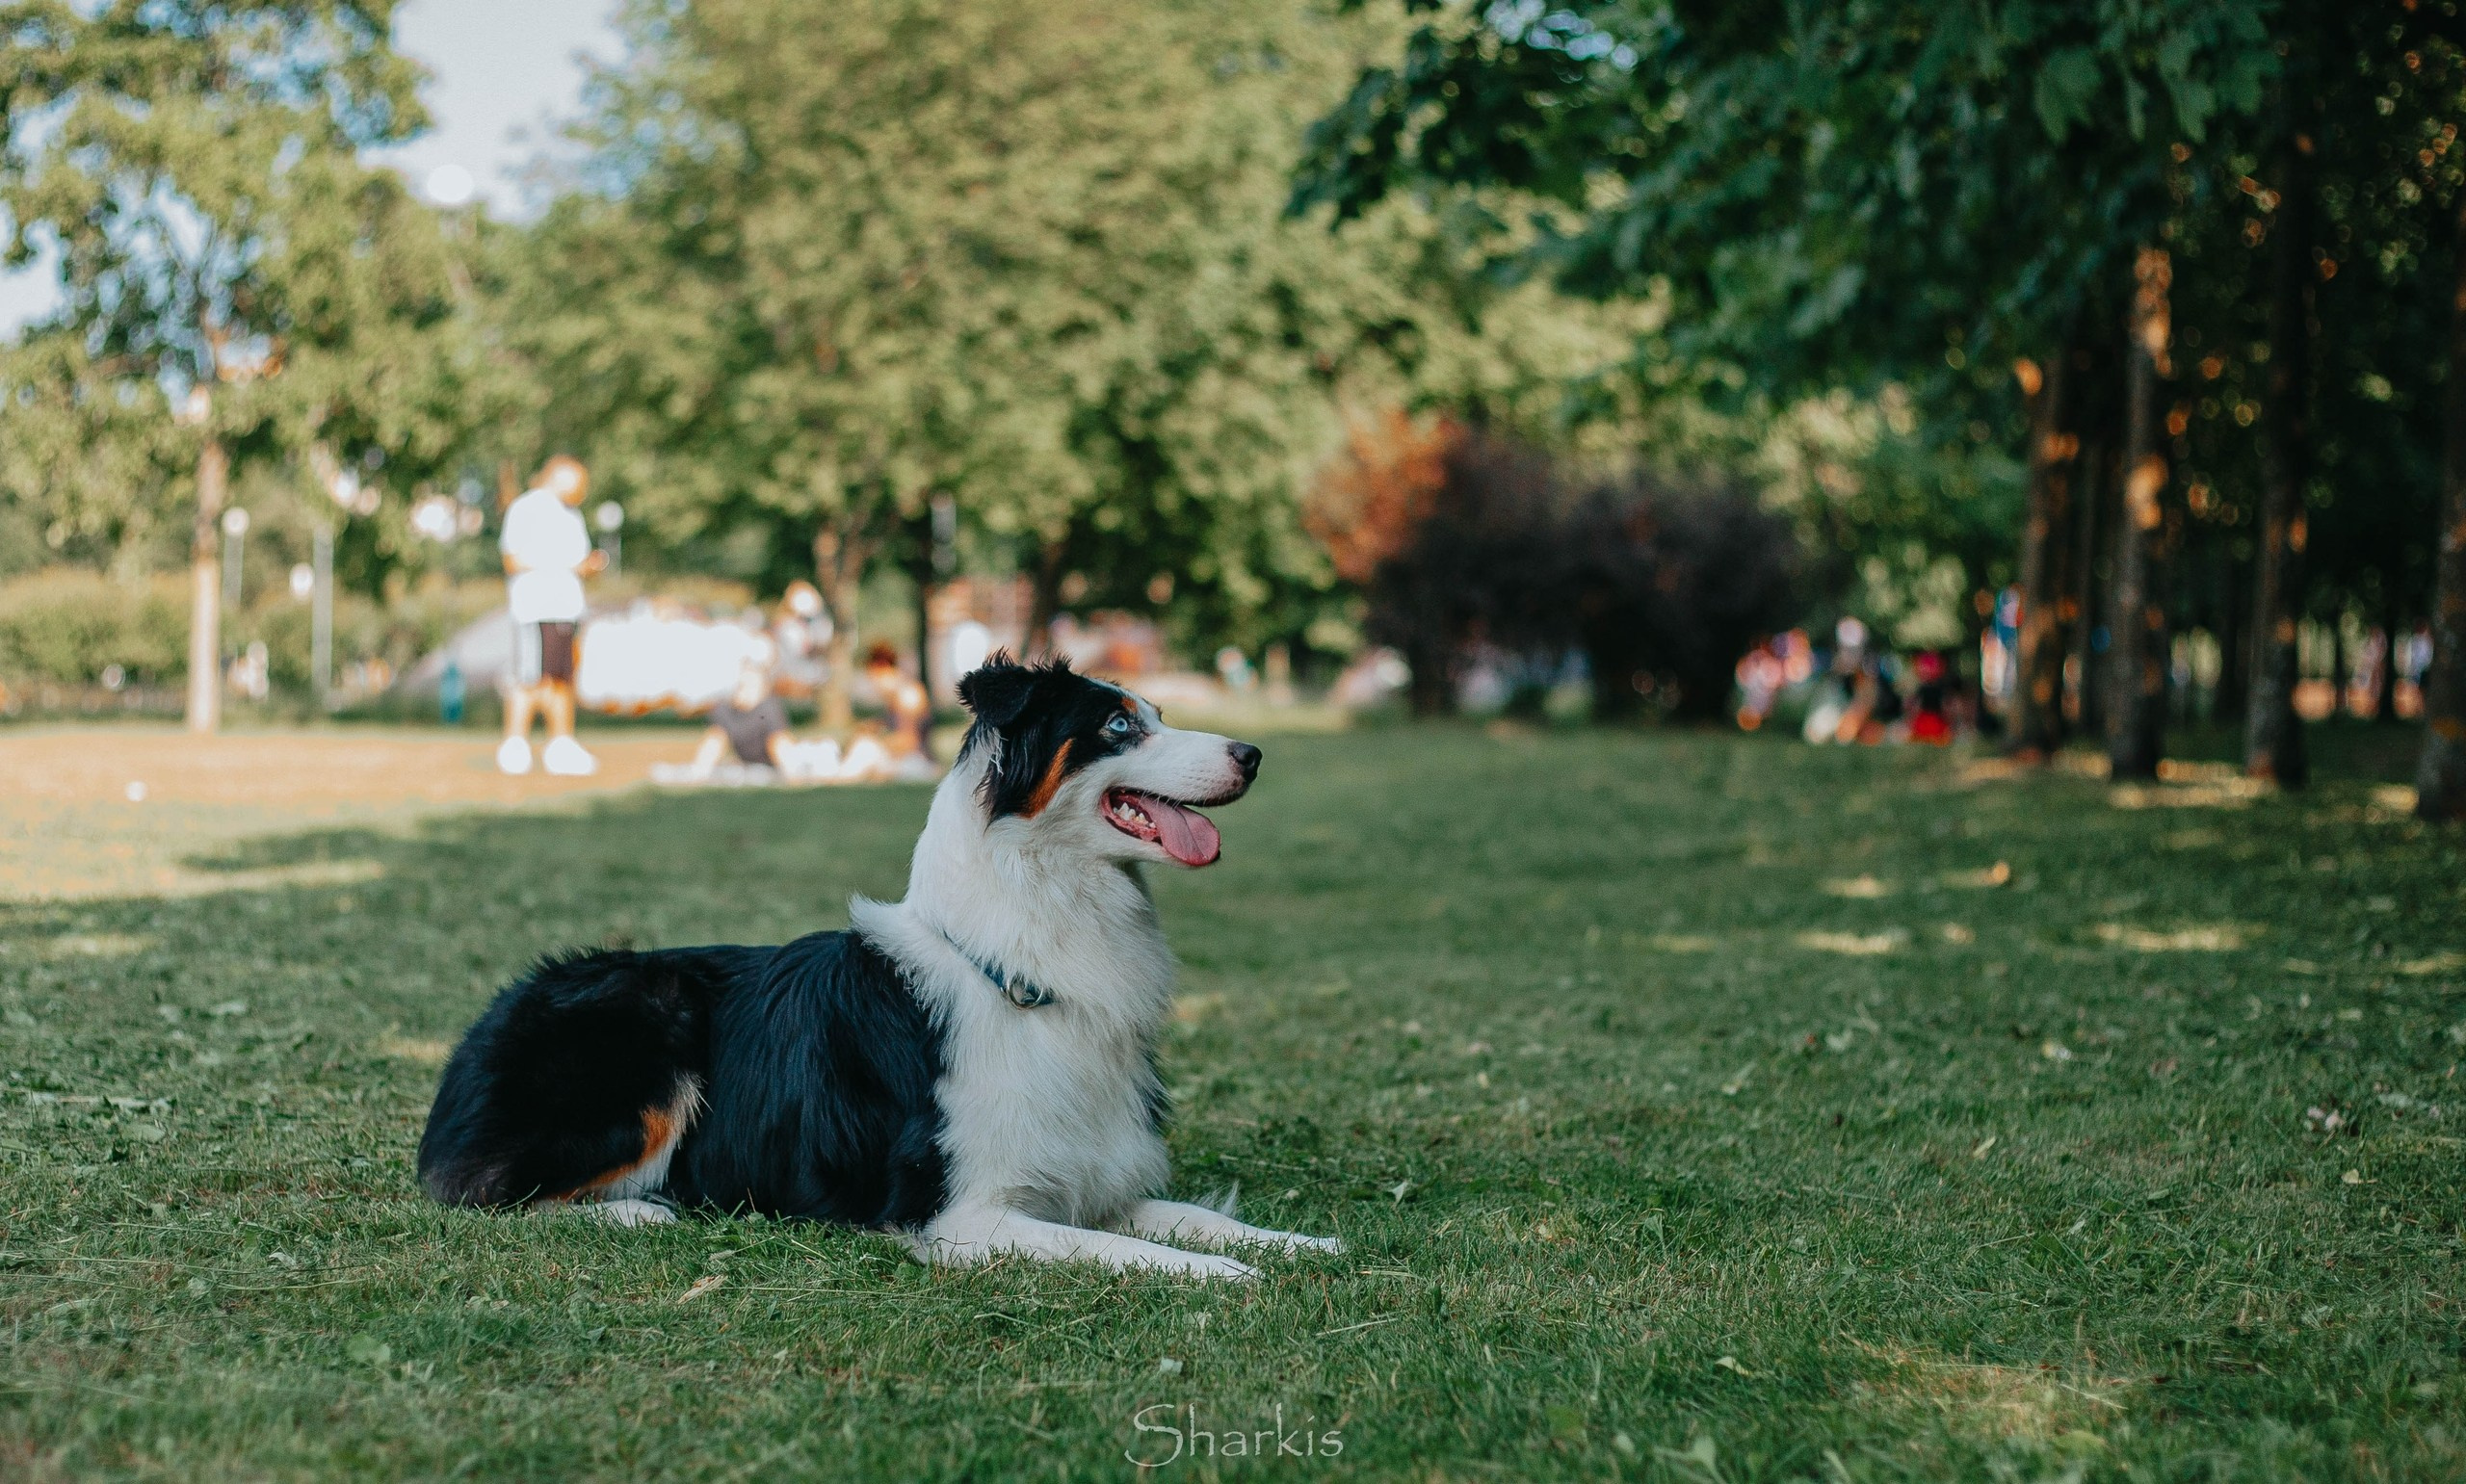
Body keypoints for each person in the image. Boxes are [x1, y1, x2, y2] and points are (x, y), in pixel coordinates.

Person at [497, 456, 604, 776]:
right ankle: (515, 745)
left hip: (566, 610)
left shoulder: (573, 515)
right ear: (559, 476)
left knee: (561, 681)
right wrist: (557, 562)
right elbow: (512, 560)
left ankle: (561, 744)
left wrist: (589, 565)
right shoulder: (525, 509)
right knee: (530, 679)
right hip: (535, 608)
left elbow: (579, 561)